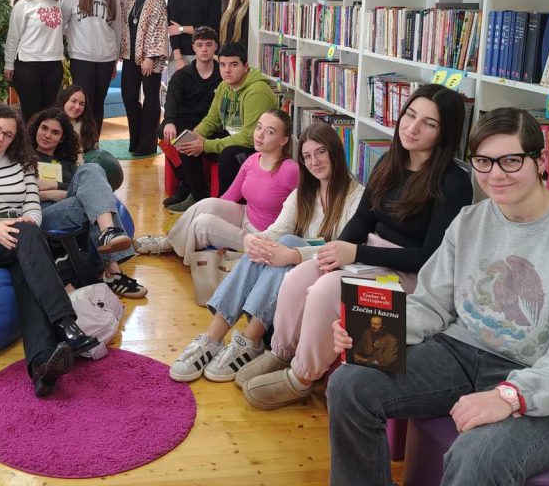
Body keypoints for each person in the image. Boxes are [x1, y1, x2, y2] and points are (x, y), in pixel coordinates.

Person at [329, 108, 549, 486]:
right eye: (484, 161)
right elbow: (431, 303)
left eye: (511, 160)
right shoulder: (470, 221)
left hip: (544, 378)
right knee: (348, 385)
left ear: (541, 161)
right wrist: (378, 330)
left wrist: (511, 396)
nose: (495, 175)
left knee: (476, 456)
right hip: (459, 353)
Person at [239, 84, 473, 411]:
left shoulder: (454, 182)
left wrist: (356, 253)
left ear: (445, 132)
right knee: (298, 277)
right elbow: (364, 216)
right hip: (368, 259)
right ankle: (282, 352)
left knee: (326, 290)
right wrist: (340, 248)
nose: (412, 128)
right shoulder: (390, 161)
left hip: (408, 276)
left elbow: (429, 258)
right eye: (410, 115)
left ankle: (302, 377)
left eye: (429, 123)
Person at [168, 123, 363, 384]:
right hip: (293, 269)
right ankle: (214, 338)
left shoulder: (357, 197)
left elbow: (343, 249)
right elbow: (275, 232)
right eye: (307, 157)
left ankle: (248, 339)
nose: (314, 162)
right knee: (270, 242)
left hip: (328, 274)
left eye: (321, 152)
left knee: (288, 242)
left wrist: (294, 255)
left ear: (335, 152)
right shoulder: (303, 192)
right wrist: (253, 241)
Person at [0, 105, 99, 398]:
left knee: (25, 271)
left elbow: (33, 208)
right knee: (27, 236)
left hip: (21, 236)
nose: (0, 137)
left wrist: (29, 222)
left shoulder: (23, 165)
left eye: (8, 134)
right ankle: (66, 324)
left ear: (15, 139)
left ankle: (42, 366)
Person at [29, 108, 145, 299]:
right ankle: (113, 271)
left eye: (55, 132)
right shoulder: (25, 158)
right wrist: (56, 193)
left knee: (92, 169)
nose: (47, 135)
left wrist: (51, 186)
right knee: (96, 201)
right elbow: (25, 194)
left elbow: (86, 191)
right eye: (44, 128)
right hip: (40, 215)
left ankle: (109, 244)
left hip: (71, 210)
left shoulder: (67, 164)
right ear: (36, 128)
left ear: (62, 138)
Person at [157, 110, 299, 264]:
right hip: (245, 216)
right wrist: (216, 211)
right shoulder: (252, 160)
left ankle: (173, 246)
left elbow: (307, 205)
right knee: (208, 204)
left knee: (203, 223)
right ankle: (169, 242)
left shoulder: (290, 170)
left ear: (283, 140)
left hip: (260, 237)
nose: (260, 135)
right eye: (259, 127)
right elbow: (228, 198)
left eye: (269, 132)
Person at [169, 41, 277, 211]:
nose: (227, 70)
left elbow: (250, 137)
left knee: (228, 154)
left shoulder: (257, 92)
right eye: (223, 65)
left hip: (258, 147)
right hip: (233, 137)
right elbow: (212, 119)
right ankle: (198, 195)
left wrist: (206, 145)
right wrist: (196, 135)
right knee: (188, 142)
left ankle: (225, 205)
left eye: (234, 65)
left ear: (246, 66)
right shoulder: (224, 86)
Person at [157, 27, 222, 208]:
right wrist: (169, 121)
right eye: (200, 45)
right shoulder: (182, 75)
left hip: (212, 126)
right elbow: (172, 100)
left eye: (208, 45)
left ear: (215, 47)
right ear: (193, 47)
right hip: (184, 123)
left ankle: (194, 191)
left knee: (189, 139)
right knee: (164, 131)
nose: (204, 49)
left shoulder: (223, 75)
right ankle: (187, 182)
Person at [62, 0, 121, 130]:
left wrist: (115, 61)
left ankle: (94, 141)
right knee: (83, 102)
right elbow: (61, 21)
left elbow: (117, 31)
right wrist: (69, 37)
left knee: (98, 103)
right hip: (81, 57)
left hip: (106, 59)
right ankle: (79, 140)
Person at [118, 0, 168, 156]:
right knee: (129, 97)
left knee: (151, 99)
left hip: (150, 60)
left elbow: (160, 30)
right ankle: (136, 139)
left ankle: (147, 145)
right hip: (129, 57)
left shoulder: (158, 1)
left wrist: (150, 57)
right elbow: (108, 0)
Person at [5, 0, 64, 122]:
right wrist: (9, 63)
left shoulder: (58, 4)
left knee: (49, 113)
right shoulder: (23, 4)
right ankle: (28, 139)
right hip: (27, 65)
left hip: (53, 65)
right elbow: (13, 36)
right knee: (30, 113)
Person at [56, 85, 123, 191]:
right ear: (65, 100)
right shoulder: (53, 122)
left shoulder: (87, 124)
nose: (77, 107)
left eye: (81, 104)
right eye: (73, 101)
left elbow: (91, 146)